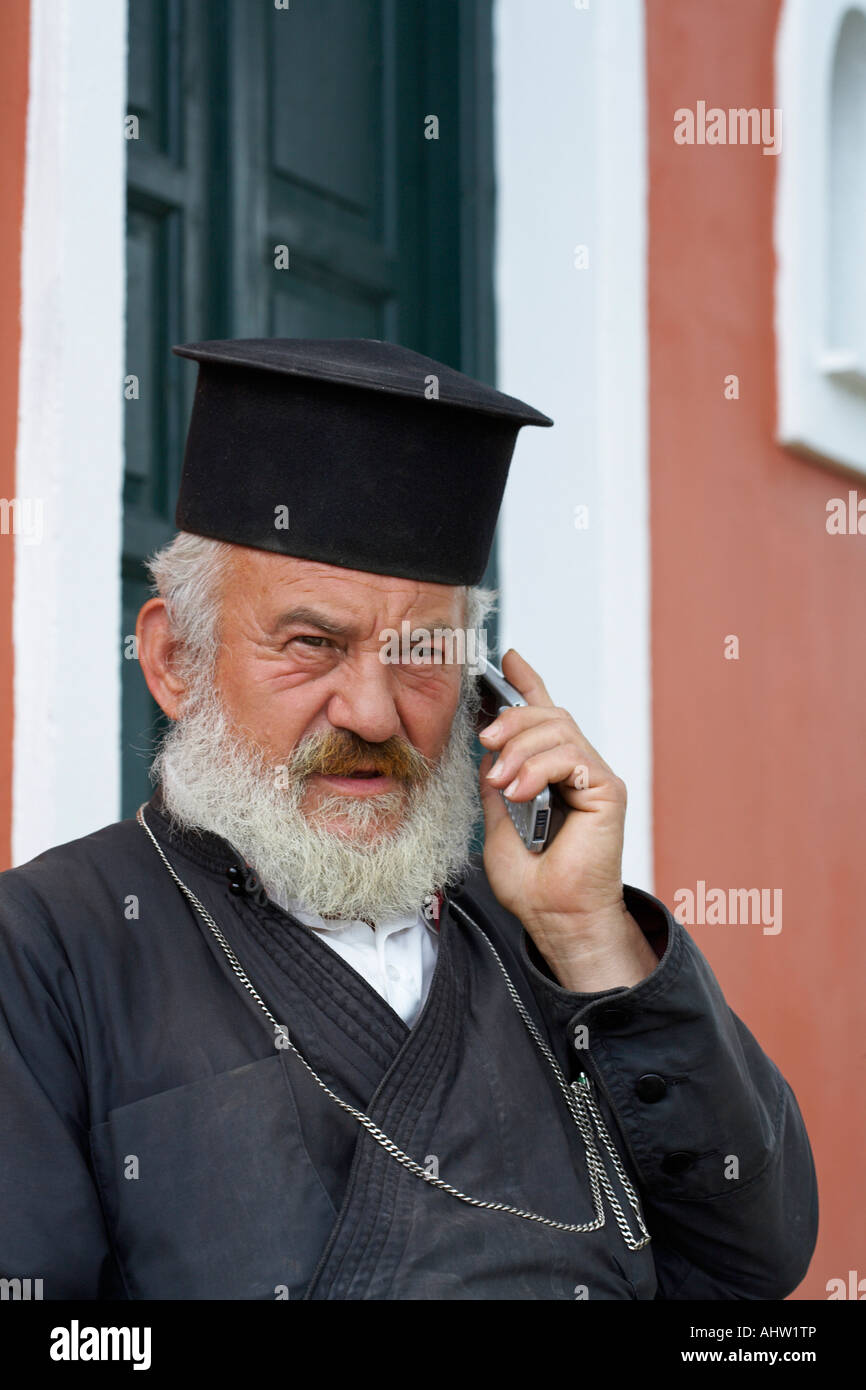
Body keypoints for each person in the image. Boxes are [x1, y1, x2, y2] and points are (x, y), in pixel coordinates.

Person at [0, 338, 817, 1300]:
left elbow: (755, 1257)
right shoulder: (45, 950)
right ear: (175, 660)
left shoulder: (537, 940)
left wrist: (587, 935)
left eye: (422, 651)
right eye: (312, 645)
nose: (375, 714)